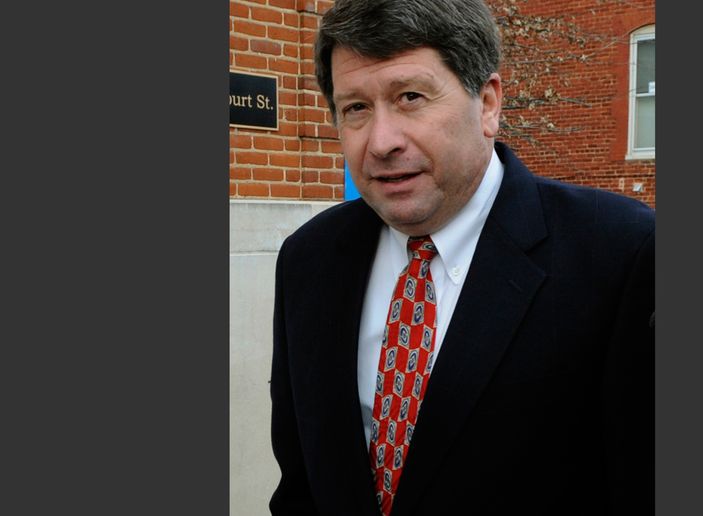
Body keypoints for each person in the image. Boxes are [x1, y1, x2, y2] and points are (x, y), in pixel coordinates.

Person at [269, 0, 654, 514]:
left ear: (489, 102)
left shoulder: (621, 252)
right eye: (356, 108)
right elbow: (300, 485)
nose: (381, 142)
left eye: (410, 96)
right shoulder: (308, 260)